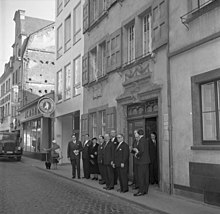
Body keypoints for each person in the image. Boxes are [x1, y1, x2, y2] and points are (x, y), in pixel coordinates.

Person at [133, 129, 150, 196]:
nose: (135, 135)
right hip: (145, 161)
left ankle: (141, 191)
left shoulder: (141, 140)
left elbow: (142, 150)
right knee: (145, 176)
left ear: (138, 134)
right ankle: (145, 190)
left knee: (141, 176)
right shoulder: (145, 140)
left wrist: (137, 154)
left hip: (141, 161)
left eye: (136, 133)